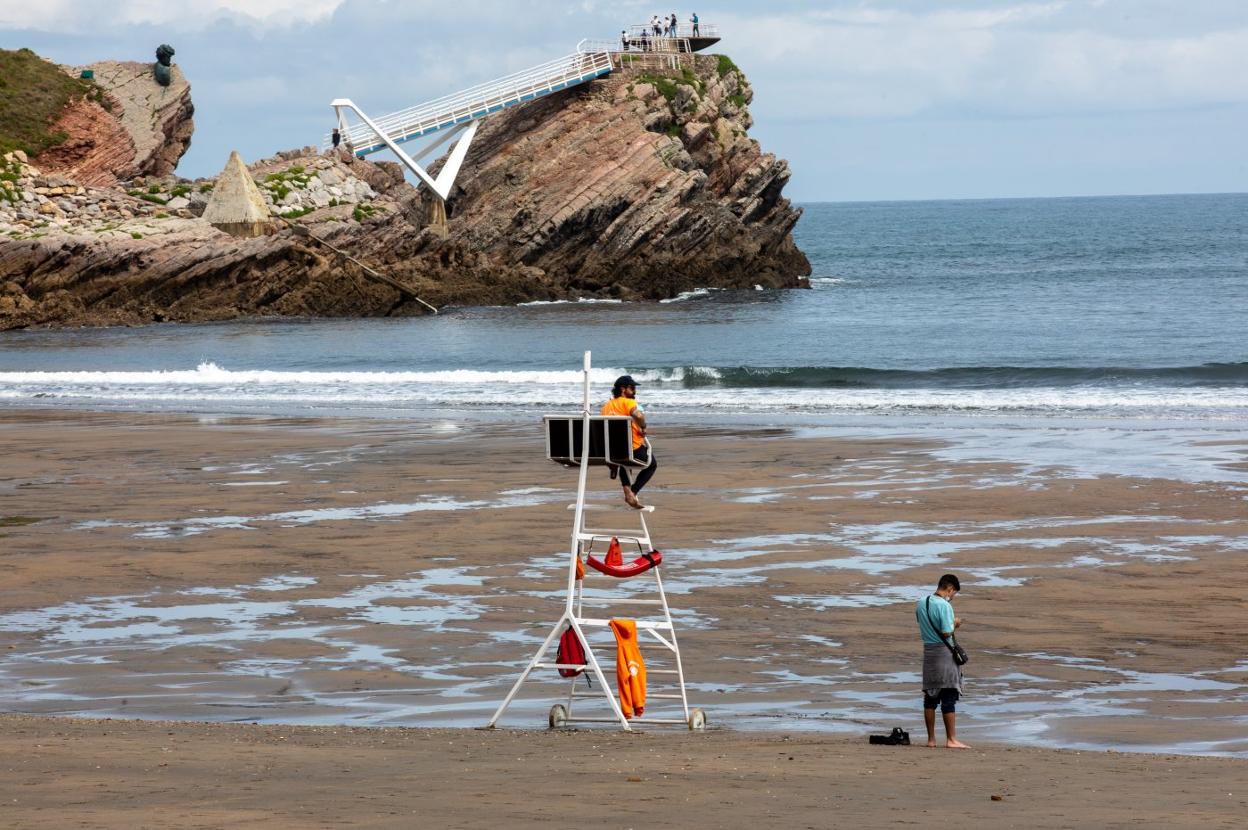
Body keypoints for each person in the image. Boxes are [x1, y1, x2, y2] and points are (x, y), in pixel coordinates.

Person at [916, 574, 969, 748]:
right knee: (948, 696)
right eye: (953, 593)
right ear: (949, 588)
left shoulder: (921, 602)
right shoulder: (944, 605)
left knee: (930, 697)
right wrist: (956, 623)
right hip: (944, 654)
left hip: (929, 652)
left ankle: (931, 740)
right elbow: (946, 632)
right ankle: (951, 739)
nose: (952, 597)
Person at [601, 375, 657, 509]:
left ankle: (625, 487)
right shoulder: (628, 402)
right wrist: (643, 426)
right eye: (632, 388)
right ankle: (633, 492)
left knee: (624, 461)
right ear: (623, 389)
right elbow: (638, 415)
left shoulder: (606, 407)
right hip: (631, 448)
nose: (635, 391)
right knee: (652, 464)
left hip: (611, 450)